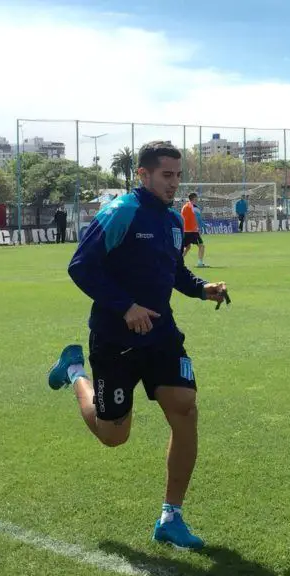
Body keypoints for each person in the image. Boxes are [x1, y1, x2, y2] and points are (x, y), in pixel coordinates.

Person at [46, 141, 229, 550]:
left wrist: (204, 289)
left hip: (161, 335)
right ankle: (75, 372)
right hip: (115, 339)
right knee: (113, 436)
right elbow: (80, 266)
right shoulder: (120, 211)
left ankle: (171, 516)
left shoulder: (173, 221)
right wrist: (126, 307)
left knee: (185, 406)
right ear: (143, 175)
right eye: (167, 175)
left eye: (178, 176)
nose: (174, 183)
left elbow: (175, 272)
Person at [180, 192, 207, 267]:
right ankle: (200, 263)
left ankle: (179, 261)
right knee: (201, 246)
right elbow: (198, 218)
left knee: (187, 247)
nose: (197, 199)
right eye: (196, 198)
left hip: (185, 231)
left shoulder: (185, 206)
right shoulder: (194, 207)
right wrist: (204, 225)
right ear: (194, 198)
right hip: (192, 231)